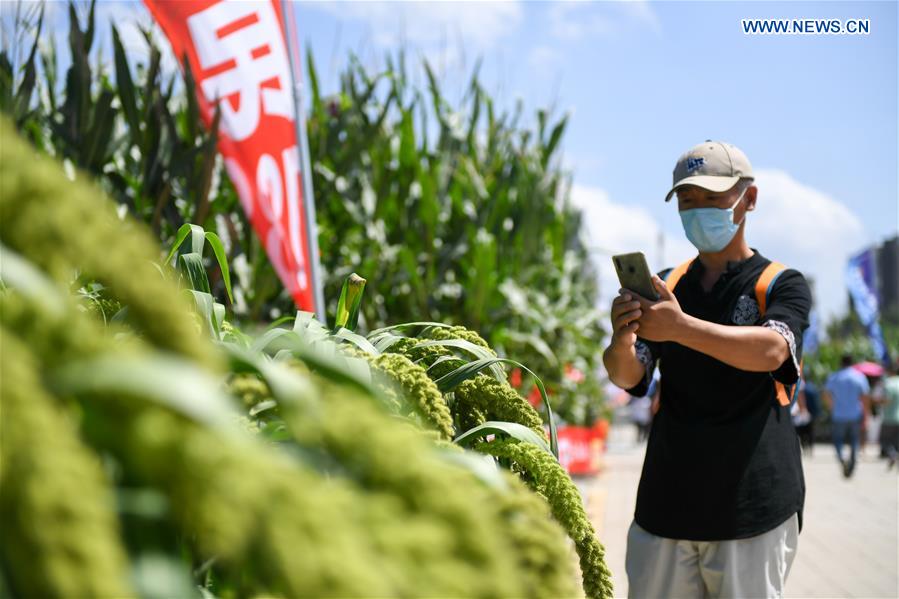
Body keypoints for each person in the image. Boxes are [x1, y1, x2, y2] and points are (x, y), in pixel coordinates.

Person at [603, 140, 810, 598]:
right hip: (665, 507)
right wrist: (623, 337)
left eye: (713, 198)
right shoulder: (668, 284)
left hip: (752, 509)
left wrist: (680, 328)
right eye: (687, 200)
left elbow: (772, 351)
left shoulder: (778, 283)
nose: (698, 210)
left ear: (748, 199)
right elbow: (629, 376)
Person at [823, 355, 871, 478]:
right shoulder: (859, 377)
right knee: (854, 439)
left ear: (841, 363)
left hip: (838, 414)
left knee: (838, 439)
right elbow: (865, 396)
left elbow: (826, 394)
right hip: (855, 413)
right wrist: (866, 412)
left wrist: (831, 407)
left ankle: (842, 457)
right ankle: (853, 462)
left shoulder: (834, 377)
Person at [878, 358, 899, 469]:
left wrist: (878, 401)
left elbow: (887, 400)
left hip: (890, 417)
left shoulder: (888, 383)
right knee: (896, 442)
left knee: (885, 441)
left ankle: (893, 456)